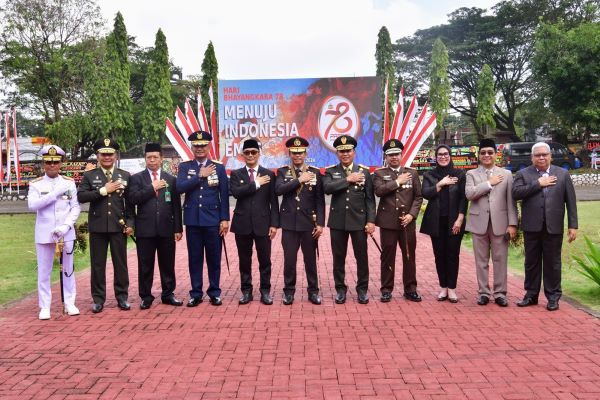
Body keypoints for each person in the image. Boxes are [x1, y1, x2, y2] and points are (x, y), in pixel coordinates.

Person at [513, 142, 578, 311]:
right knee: (531, 262)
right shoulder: (523, 174)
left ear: (550, 156)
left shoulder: (562, 174)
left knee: (553, 263)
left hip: (554, 226)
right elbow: (515, 193)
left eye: (544, 154)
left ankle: (553, 297)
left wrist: (573, 225)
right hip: (531, 226)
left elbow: (570, 202)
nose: (541, 157)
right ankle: (531, 295)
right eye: (537, 155)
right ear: (532, 157)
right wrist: (538, 184)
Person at [77, 138, 134, 313]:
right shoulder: (89, 175)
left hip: (118, 226)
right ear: (98, 156)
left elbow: (130, 203)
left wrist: (130, 223)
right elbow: (81, 197)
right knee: (98, 264)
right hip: (98, 226)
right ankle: (98, 299)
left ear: (115, 155)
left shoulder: (125, 175)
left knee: (121, 264)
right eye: (103, 154)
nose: (107, 157)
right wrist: (103, 190)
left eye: (110, 154)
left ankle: (122, 297)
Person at [176, 131, 229, 307]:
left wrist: (224, 219)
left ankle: (214, 292)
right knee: (195, 258)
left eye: (203, 145)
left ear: (208, 147)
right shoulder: (185, 167)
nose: (200, 148)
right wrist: (200, 175)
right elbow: (180, 188)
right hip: (193, 221)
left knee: (214, 258)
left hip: (213, 220)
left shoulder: (218, 167)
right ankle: (196, 293)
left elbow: (223, 196)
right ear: (192, 147)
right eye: (196, 146)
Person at [128, 143, 183, 310]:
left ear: (161, 159)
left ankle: (168, 294)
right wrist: (151, 188)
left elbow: (175, 206)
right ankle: (146, 296)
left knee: (168, 264)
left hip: (166, 228)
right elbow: (133, 199)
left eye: (155, 157)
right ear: (145, 159)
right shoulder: (137, 178)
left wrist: (178, 228)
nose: (152, 160)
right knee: (145, 265)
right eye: (149, 158)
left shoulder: (170, 179)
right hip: (145, 229)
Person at [28, 145, 81, 319]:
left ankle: (70, 302)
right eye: (48, 162)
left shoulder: (69, 183)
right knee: (44, 271)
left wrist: (66, 226)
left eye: (55, 162)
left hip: (65, 232)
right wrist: (53, 194)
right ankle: (45, 306)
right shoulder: (36, 184)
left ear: (61, 163)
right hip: (45, 233)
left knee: (68, 269)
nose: (52, 166)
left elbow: (75, 208)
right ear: (43, 164)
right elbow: (32, 205)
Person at [323, 135, 376, 304]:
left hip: (359, 221)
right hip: (338, 222)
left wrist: (371, 221)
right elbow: (327, 188)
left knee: (362, 257)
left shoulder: (364, 171)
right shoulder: (331, 171)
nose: (345, 154)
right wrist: (347, 179)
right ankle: (340, 289)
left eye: (348, 151)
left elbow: (369, 199)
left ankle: (362, 290)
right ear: (337, 153)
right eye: (341, 151)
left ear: (354, 152)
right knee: (338, 258)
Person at [465, 138, 517, 307]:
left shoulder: (506, 174)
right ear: (478, 155)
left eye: (490, 152)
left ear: (496, 155)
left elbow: (511, 201)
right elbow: (470, 194)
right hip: (478, 222)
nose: (486, 155)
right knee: (481, 261)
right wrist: (489, 183)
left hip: (500, 223)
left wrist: (513, 224)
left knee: (500, 259)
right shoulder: (471, 174)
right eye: (483, 153)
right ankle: (484, 293)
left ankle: (500, 293)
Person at [275, 137, 325, 305]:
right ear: (289, 153)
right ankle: (289, 292)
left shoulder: (315, 172)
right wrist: (299, 180)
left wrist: (320, 223)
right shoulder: (283, 172)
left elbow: (319, 200)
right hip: (289, 223)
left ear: (305, 153)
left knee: (310, 260)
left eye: (300, 152)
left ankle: (313, 291)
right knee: (289, 260)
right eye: (294, 153)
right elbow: (279, 190)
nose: (297, 156)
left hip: (308, 223)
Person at [373, 139, 424, 303]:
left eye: (396, 154)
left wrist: (412, 215)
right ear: (386, 157)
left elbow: (418, 197)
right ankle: (386, 289)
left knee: (409, 256)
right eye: (390, 155)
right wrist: (397, 182)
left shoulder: (412, 173)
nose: (394, 157)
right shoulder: (380, 174)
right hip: (388, 222)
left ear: (401, 155)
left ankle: (410, 289)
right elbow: (379, 191)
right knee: (387, 256)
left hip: (407, 222)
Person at [230, 139, 279, 305]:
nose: (250, 155)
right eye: (247, 153)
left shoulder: (269, 174)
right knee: (244, 260)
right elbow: (236, 193)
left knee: (265, 260)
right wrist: (256, 183)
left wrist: (274, 224)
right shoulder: (236, 174)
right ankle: (246, 292)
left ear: (259, 153)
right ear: (242, 155)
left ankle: (265, 291)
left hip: (263, 224)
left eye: (254, 152)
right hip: (242, 224)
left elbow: (273, 201)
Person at [420, 144, 468, 303]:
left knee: (453, 255)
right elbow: (426, 193)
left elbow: (463, 197)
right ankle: (443, 288)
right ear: (436, 157)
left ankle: (452, 289)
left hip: (454, 221)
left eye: (446, 154)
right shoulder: (430, 175)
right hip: (436, 221)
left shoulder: (460, 174)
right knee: (439, 255)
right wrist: (441, 184)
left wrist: (460, 218)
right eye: (440, 154)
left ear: (450, 155)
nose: (443, 156)